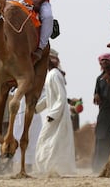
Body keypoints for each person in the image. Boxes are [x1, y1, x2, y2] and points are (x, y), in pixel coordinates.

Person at [35, 48, 76, 176]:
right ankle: (50, 168)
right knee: (52, 142)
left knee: (47, 140)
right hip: (55, 114)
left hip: (56, 116)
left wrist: (53, 115)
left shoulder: (54, 74)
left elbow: (61, 97)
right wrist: (37, 108)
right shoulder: (51, 74)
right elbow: (50, 96)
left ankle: (52, 169)